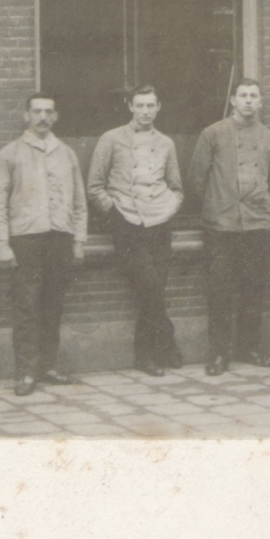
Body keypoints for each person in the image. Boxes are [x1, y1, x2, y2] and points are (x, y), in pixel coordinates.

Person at [0, 93, 87, 396]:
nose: (43, 117)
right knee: (27, 306)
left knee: (53, 305)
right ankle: (26, 373)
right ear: (26, 116)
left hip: (60, 237)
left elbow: (79, 202)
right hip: (25, 239)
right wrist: (3, 244)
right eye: (37, 111)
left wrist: (78, 240)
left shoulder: (66, 154)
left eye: (48, 111)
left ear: (55, 116)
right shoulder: (10, 154)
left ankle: (48, 366)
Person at [187, 78, 270, 376]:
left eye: (253, 96)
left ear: (261, 102)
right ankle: (219, 353)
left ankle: (249, 348)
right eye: (243, 95)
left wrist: (265, 208)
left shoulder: (269, 137)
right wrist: (217, 205)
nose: (248, 101)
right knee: (220, 290)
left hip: (257, 224)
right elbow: (196, 179)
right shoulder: (213, 133)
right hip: (221, 226)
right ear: (233, 100)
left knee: (253, 288)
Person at [88, 85, 185, 376]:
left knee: (153, 290)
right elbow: (94, 187)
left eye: (150, 105)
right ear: (130, 106)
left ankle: (149, 354)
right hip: (127, 223)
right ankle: (162, 344)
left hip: (159, 223)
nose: (145, 111)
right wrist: (116, 215)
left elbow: (176, 187)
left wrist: (169, 208)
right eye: (139, 105)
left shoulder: (166, 143)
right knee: (150, 287)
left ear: (158, 107)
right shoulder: (111, 139)